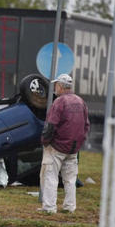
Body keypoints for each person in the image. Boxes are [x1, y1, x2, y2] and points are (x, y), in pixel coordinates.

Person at [39, 73, 90, 214]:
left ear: (61, 86)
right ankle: (69, 207)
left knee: (49, 176)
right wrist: (79, 143)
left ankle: (49, 208)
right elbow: (86, 126)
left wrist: (45, 141)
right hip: (73, 149)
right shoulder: (81, 102)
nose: (55, 88)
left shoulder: (59, 102)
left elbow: (51, 125)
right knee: (70, 179)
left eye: (56, 85)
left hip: (57, 147)